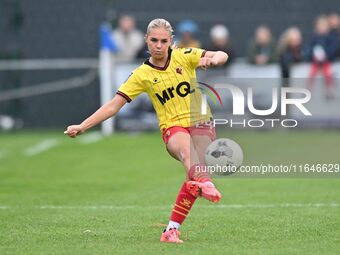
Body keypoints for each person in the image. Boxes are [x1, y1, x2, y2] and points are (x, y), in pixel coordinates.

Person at [64, 18, 228, 243]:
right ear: (146, 41)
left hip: (202, 123)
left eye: (163, 41)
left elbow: (221, 54)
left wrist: (214, 60)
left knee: (194, 175)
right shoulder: (141, 74)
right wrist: (83, 126)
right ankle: (206, 184)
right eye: (154, 40)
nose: (158, 45)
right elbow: (114, 105)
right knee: (190, 156)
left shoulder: (184, 55)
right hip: (173, 127)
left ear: (171, 41)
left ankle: (171, 230)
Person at [306, 15, 337, 99]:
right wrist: (314, 54)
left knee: (328, 73)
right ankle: (309, 89)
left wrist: (325, 55)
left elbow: (332, 49)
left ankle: (330, 90)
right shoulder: (314, 37)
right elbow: (310, 48)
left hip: (326, 61)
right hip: (316, 61)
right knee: (312, 72)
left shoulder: (330, 38)